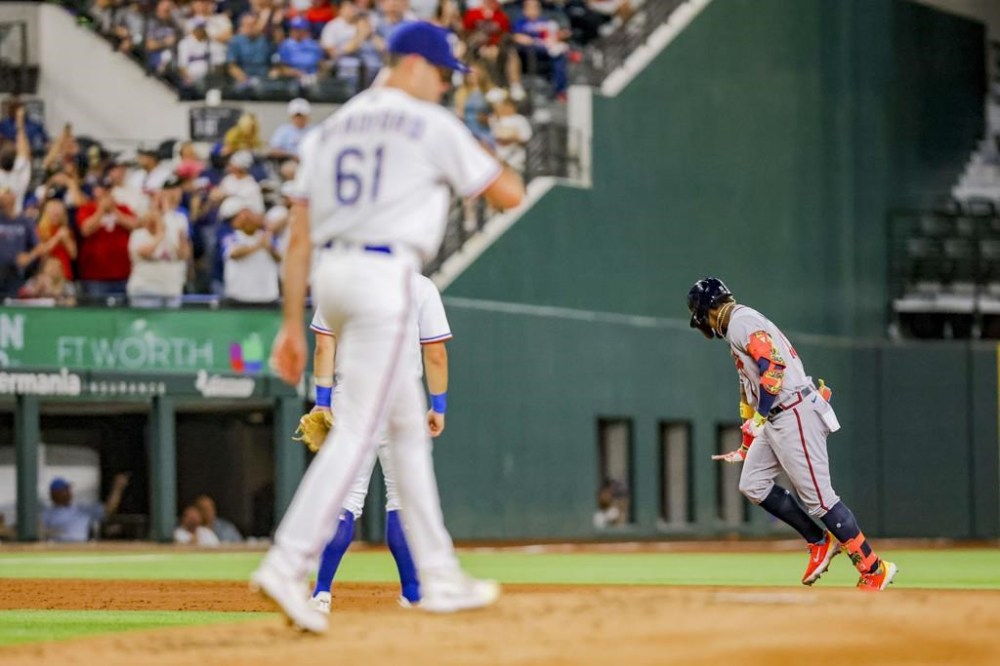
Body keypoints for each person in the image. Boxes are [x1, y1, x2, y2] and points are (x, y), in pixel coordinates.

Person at [252, 21, 524, 633]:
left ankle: (440, 578)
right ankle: (286, 561)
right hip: (386, 277)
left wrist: (292, 323)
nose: (444, 86)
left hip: (333, 274)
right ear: (414, 65)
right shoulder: (428, 123)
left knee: (405, 431)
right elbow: (509, 192)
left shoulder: (334, 126)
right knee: (356, 436)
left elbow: (298, 234)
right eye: (442, 75)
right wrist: (477, 136)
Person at [689, 277, 897, 592]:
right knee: (753, 484)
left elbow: (773, 368)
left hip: (792, 411)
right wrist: (749, 438)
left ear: (708, 310)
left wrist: (759, 418)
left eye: (701, 316)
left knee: (820, 500)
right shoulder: (738, 325)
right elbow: (751, 386)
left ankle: (874, 569)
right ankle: (818, 541)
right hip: (778, 414)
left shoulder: (742, 322)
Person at [309, 272, 452, 612]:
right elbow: (436, 354)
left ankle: (321, 594)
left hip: (353, 395)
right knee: (402, 499)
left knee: (346, 497)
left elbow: (323, 345)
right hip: (401, 398)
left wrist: (322, 401)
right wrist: (439, 406)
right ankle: (413, 594)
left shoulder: (342, 281)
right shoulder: (419, 286)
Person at [41, 474, 130, 543]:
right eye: (65, 490)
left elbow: (108, 509)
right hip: (57, 549)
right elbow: (40, 532)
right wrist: (57, 532)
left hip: (81, 548)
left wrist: (117, 488)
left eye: (68, 489)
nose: (69, 492)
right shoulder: (47, 513)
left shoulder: (81, 509)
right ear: (54, 494)